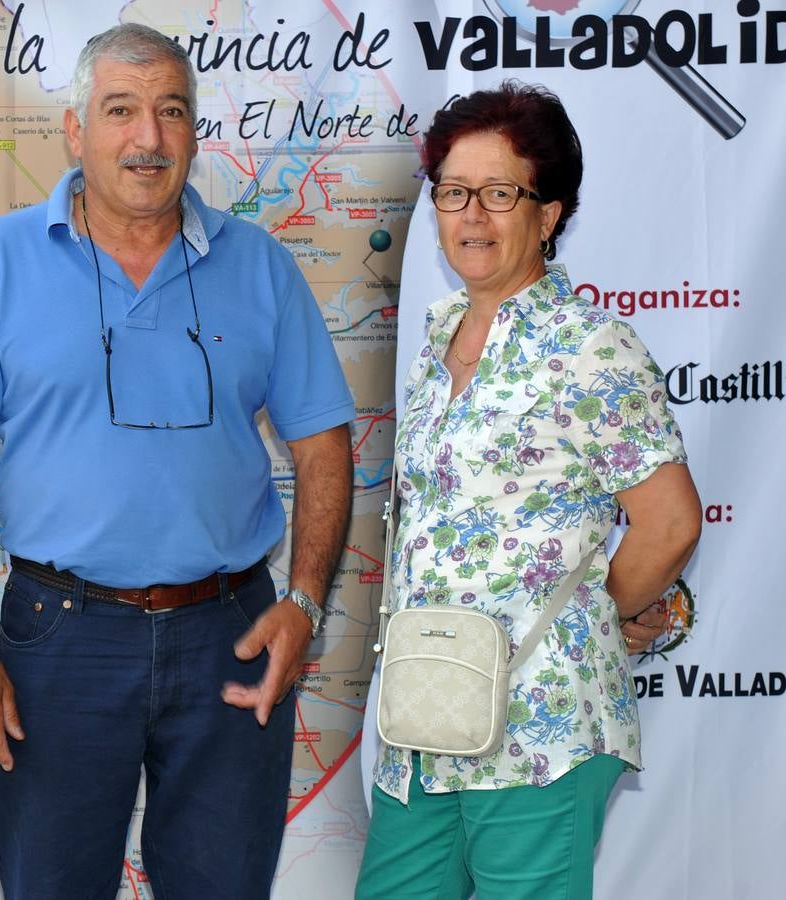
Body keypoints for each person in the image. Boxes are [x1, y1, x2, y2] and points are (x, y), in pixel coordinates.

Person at [0, 23, 355, 900]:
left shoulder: (259, 264)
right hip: (58, 641)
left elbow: (325, 447)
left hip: (231, 634)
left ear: (193, 131)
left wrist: (304, 601)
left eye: (170, 112)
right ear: (74, 131)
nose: (147, 138)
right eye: (121, 111)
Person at [355, 82, 701, 899]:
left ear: (548, 214)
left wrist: (594, 617)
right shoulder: (439, 337)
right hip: (425, 725)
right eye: (452, 192)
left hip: (540, 725)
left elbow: (671, 523)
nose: (471, 215)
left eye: (500, 193)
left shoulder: (593, 349)